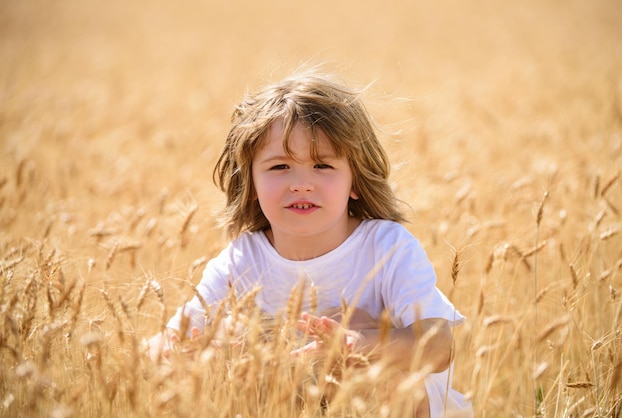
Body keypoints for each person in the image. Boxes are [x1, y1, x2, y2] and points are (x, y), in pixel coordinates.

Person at [146, 69, 473, 417]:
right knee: (232, 333)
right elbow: (164, 343)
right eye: (280, 167)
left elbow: (440, 346)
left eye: (322, 165)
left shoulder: (386, 247)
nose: (301, 184)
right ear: (251, 185)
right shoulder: (242, 259)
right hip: (296, 405)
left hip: (400, 407)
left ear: (355, 181)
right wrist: (186, 352)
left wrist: (358, 344)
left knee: (352, 321)